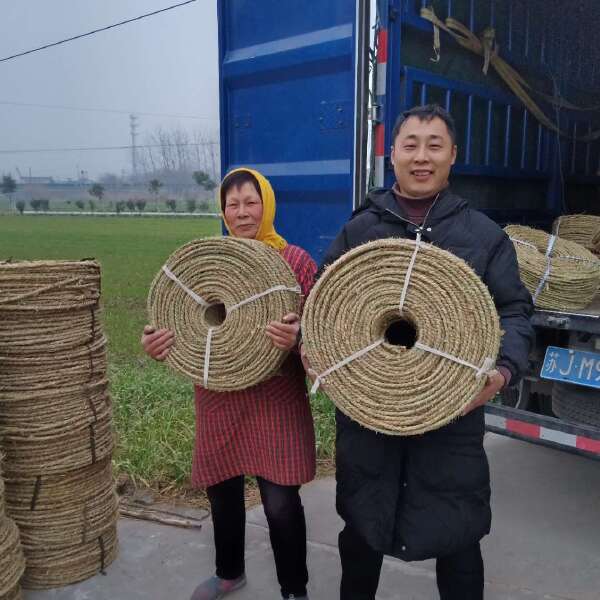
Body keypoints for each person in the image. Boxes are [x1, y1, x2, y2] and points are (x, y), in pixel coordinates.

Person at [301, 104, 534, 600]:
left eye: (434, 145)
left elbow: (514, 311)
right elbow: (321, 304)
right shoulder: (359, 231)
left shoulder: (484, 237)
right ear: (392, 155)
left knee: (459, 536)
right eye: (410, 144)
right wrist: (312, 348)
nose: (421, 156)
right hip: (368, 424)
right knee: (362, 532)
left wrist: (504, 369)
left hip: (451, 420)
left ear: (453, 155)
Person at [142, 168, 317, 600]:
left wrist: (298, 340)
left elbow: (323, 332)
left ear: (268, 205)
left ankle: (295, 589)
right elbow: (179, 321)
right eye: (232, 203)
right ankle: (228, 572)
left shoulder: (295, 261)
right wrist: (160, 342)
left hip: (277, 397)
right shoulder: (208, 264)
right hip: (218, 394)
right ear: (222, 210)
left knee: (279, 503)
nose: (241, 212)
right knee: (222, 488)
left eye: (250, 202)